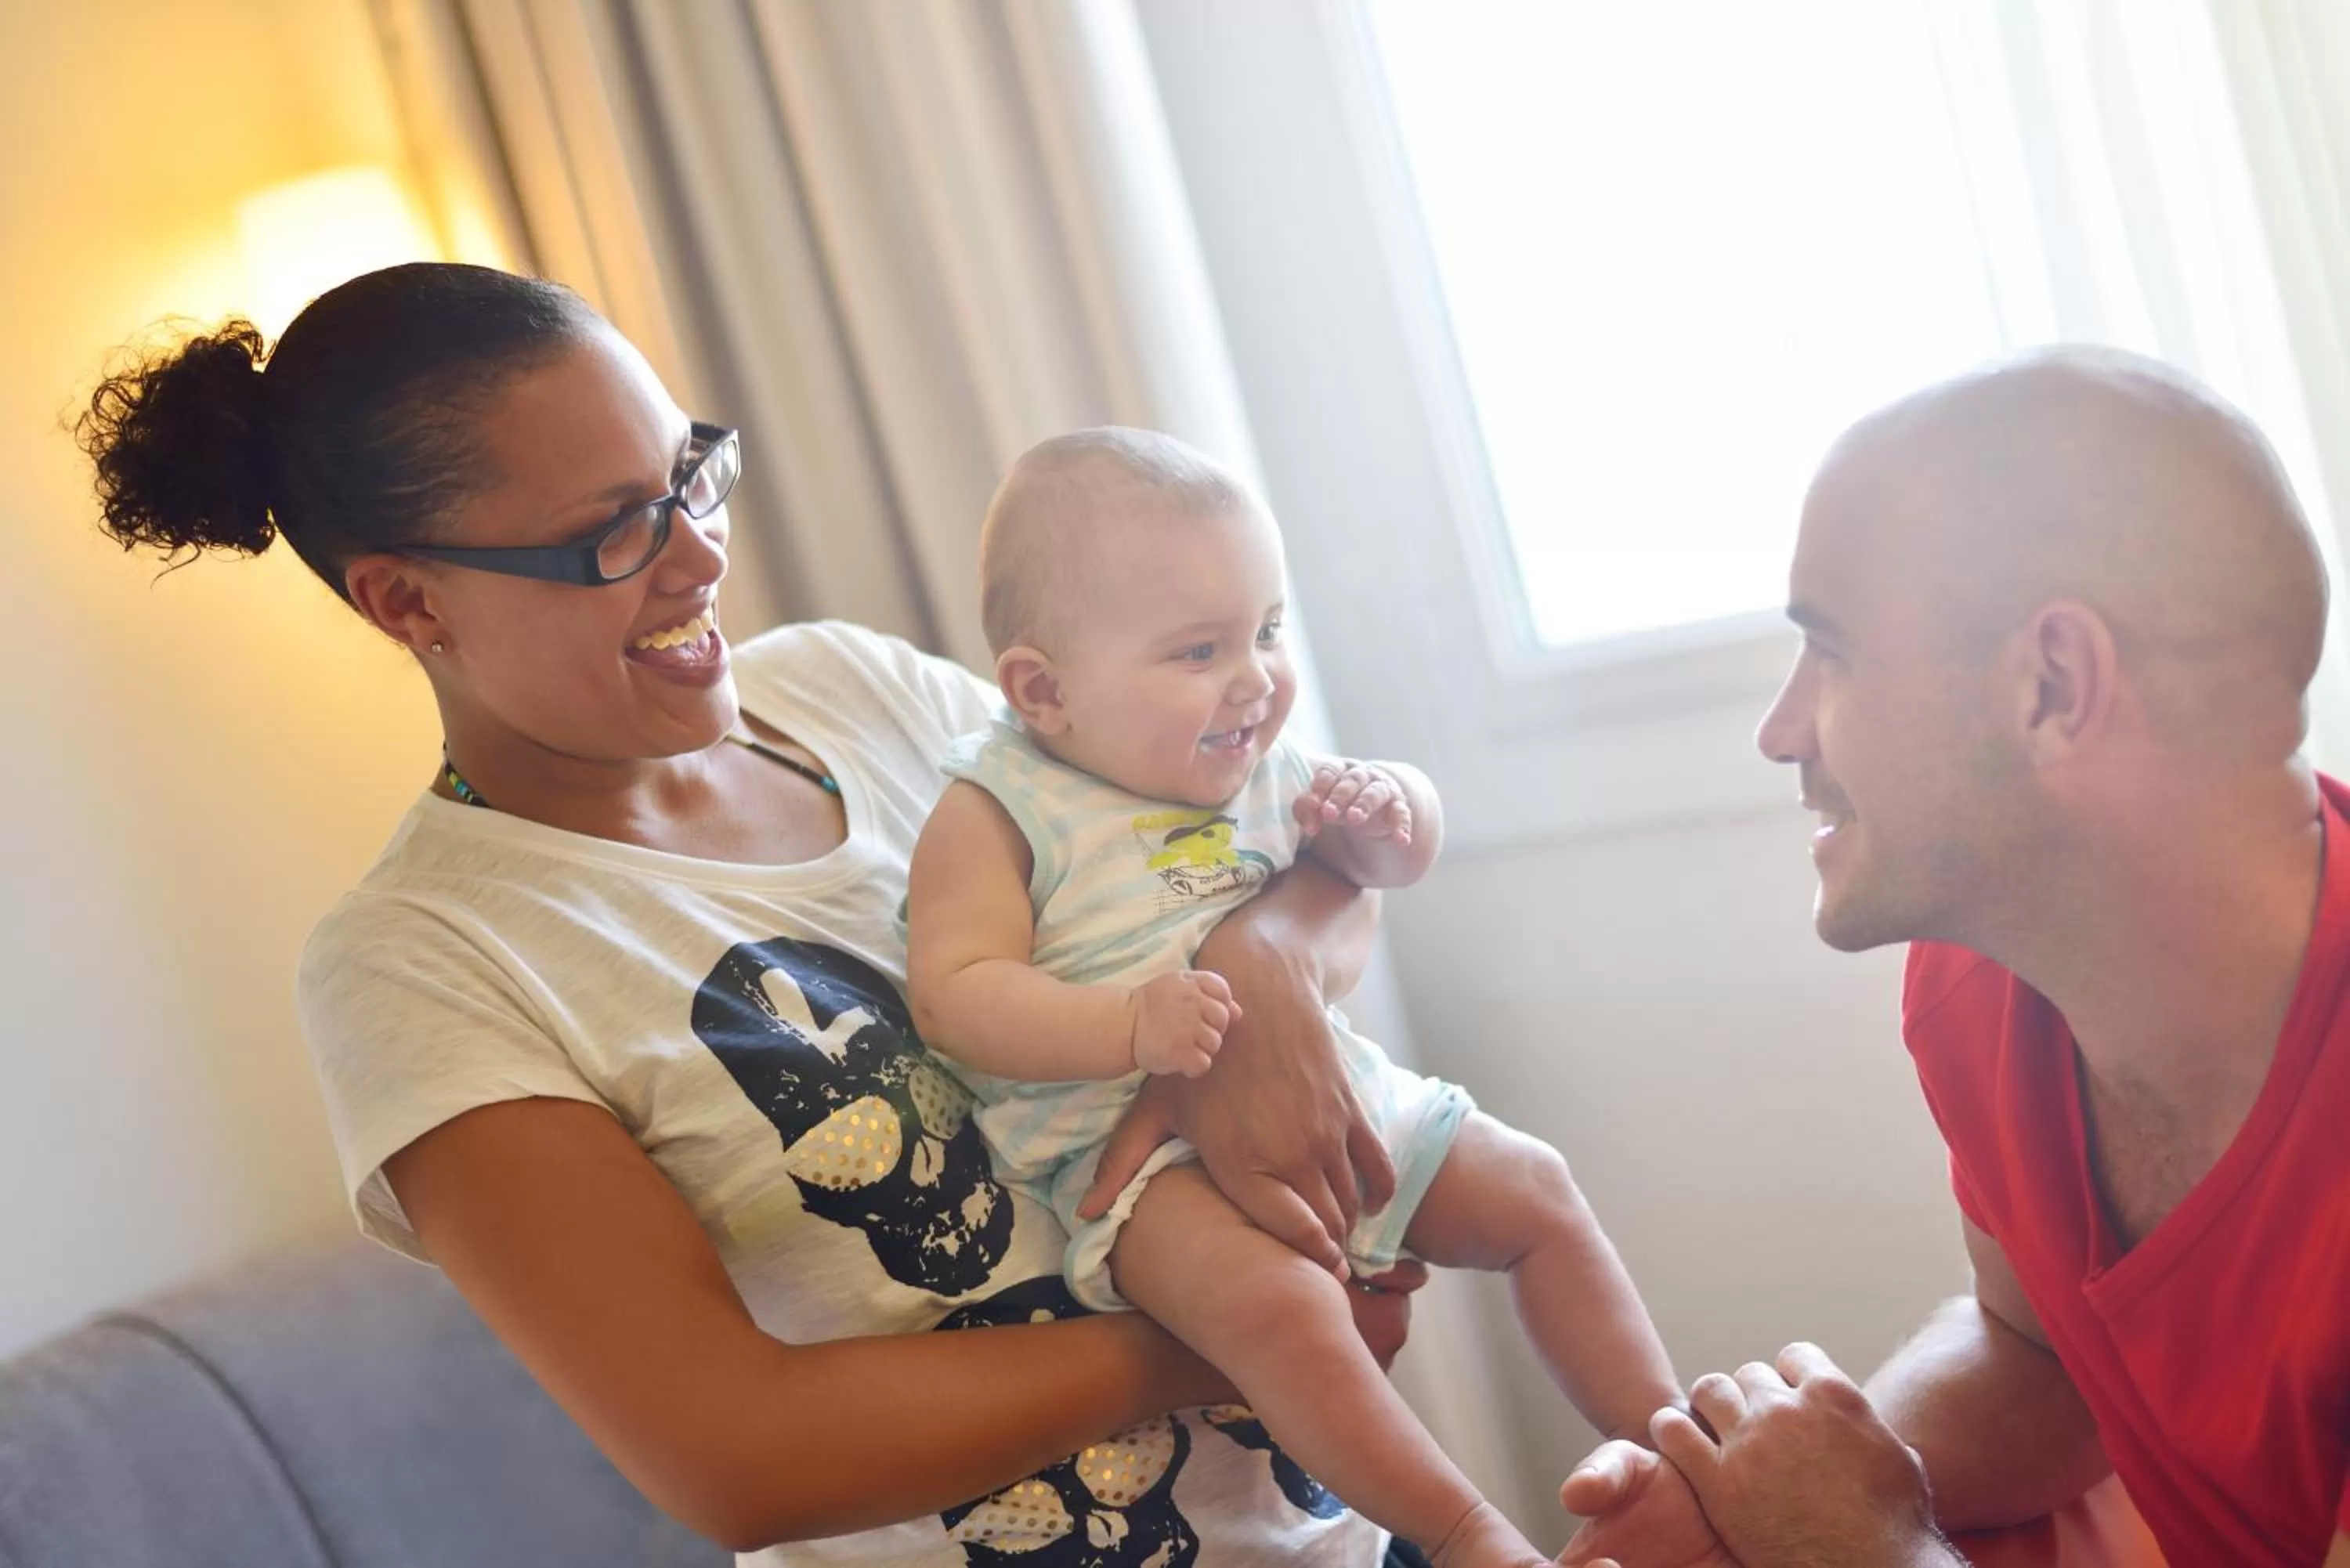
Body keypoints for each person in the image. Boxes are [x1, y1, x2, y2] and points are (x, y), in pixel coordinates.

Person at [76, 260, 1447, 1567]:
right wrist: (1241, 1329)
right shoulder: (425, 963)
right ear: (408, 599)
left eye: (691, 473)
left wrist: (1262, 964)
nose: (698, 556)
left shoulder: (866, 694)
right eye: (614, 530)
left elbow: (1264, 863)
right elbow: (741, 1450)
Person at [1557, 347, 2350, 1568]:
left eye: (1832, 652)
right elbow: (2044, 1357)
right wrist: (1746, 1499)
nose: (1779, 733)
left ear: (2051, 683)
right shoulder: (1981, 981)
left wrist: (1866, 1545)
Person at [903, 429, 1681, 1567]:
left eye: (1268, 629)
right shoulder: (995, 811)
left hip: (1337, 1094)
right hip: (1138, 1174)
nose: (1257, 677)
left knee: (1538, 1191)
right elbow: (956, 995)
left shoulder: (1254, 757)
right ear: (1045, 688)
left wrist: (1392, 807)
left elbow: (1394, 855)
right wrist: (1127, 1024)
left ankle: (1674, 1449)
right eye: (1200, 649)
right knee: (1287, 1317)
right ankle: (1469, 1534)